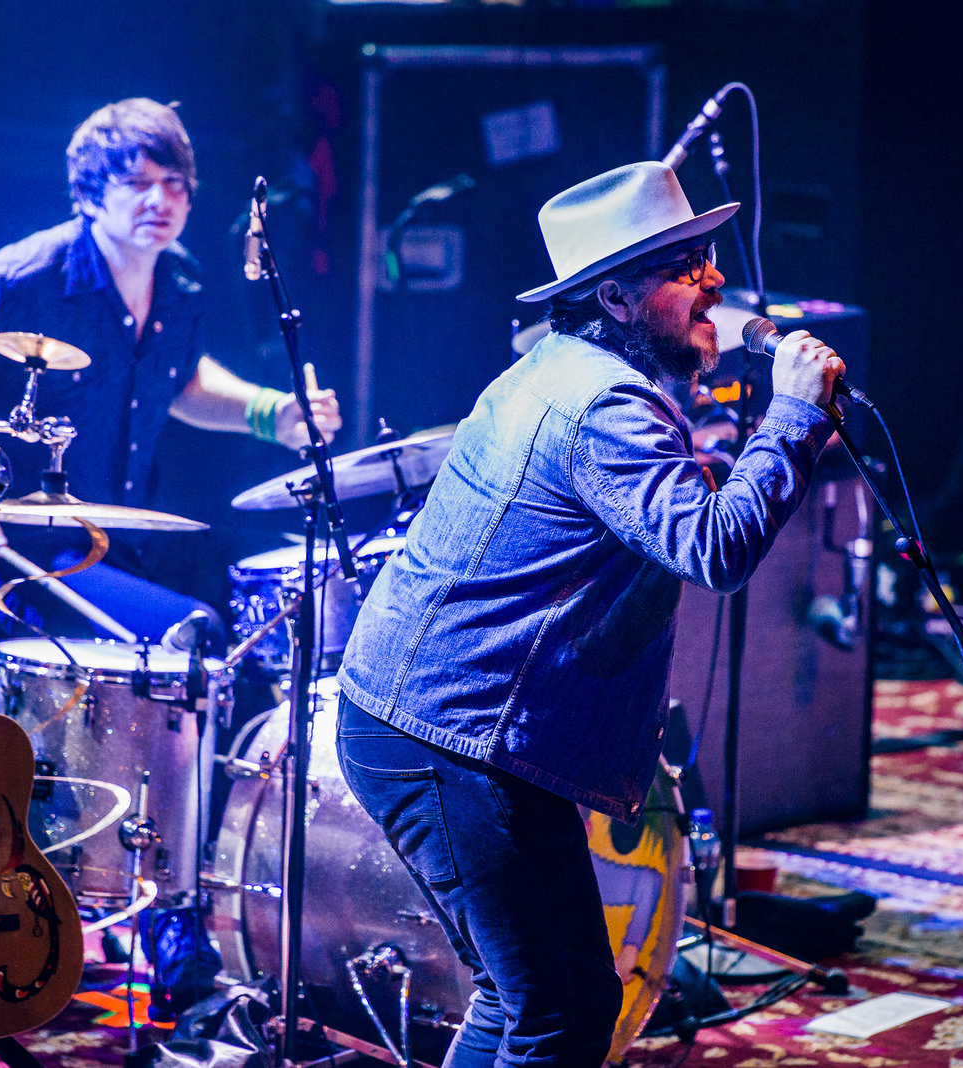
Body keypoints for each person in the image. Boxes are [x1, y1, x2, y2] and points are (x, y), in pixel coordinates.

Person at [334, 160, 846, 1067]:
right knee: (561, 1010)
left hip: (431, 725)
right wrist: (794, 418)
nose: (715, 279)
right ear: (614, 297)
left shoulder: (562, 368)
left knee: (531, 998)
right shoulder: (605, 401)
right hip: (451, 740)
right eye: (685, 266)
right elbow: (715, 550)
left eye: (707, 256)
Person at [0, 96, 342, 645]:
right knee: (194, 636)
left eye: (175, 184)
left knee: (292, 604)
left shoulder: (179, 280)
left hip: (118, 543)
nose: (160, 200)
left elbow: (177, 381)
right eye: (137, 183)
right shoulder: (19, 280)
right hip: (15, 562)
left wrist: (272, 412)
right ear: (89, 194)